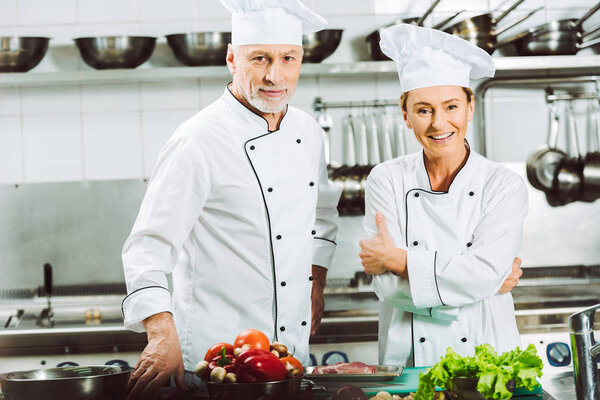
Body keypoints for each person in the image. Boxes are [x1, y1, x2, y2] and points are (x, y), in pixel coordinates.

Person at [120, 1, 340, 398]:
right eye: (260, 59)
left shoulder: (309, 132)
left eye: (288, 58)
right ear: (231, 60)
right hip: (216, 359)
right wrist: (160, 332)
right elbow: (147, 246)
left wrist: (317, 281)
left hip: (288, 356)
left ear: (301, 60)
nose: (275, 75)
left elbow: (323, 214)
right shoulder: (198, 139)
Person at [358, 24, 527, 367]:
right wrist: (480, 283)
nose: (439, 123)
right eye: (424, 110)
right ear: (405, 115)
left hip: (487, 357)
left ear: (470, 107)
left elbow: (481, 275)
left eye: (451, 106)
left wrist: (399, 261)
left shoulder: (503, 185)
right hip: (406, 359)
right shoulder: (386, 179)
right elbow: (388, 290)